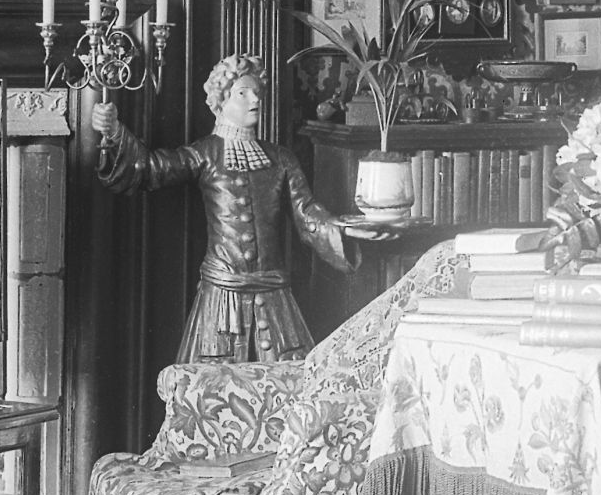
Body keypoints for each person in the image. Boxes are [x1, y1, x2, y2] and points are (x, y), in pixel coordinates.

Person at [82, 54, 399, 361]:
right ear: (221, 101)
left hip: (274, 297)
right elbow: (152, 169)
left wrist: (347, 231)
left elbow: (308, 215)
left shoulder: (281, 158)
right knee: (212, 396)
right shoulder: (206, 152)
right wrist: (113, 133)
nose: (254, 100)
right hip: (222, 297)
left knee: (285, 394)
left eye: (257, 92)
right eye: (242, 93)